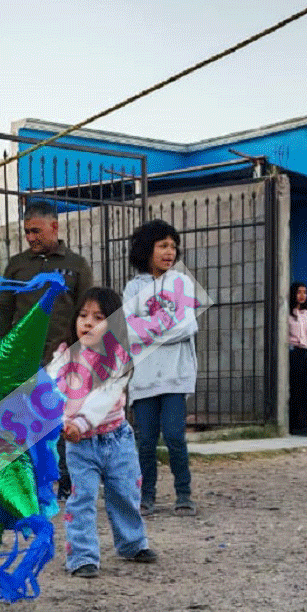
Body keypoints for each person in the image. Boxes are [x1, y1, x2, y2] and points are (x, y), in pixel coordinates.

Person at [47, 287, 155, 578]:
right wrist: (59, 421)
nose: (88, 322)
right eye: (83, 316)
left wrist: (79, 423)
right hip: (79, 444)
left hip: (116, 438)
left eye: (98, 317)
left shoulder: (119, 359)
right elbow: (48, 392)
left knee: (125, 492)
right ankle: (82, 557)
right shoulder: (64, 357)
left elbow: (103, 399)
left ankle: (132, 543)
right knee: (80, 499)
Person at [0, 199, 93, 499]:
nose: (31, 238)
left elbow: (85, 311)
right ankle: (27, 487)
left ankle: (67, 484)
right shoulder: (17, 265)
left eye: (36, 231)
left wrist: (78, 357)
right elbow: (3, 311)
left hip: (63, 361)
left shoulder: (77, 266)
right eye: (27, 232)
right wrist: (3, 353)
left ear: (54, 226)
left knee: (62, 424)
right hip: (23, 361)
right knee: (23, 425)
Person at [124, 220, 198, 514]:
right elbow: (127, 331)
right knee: (145, 441)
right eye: (162, 245)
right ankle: (147, 496)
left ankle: (184, 494)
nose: (170, 251)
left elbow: (187, 326)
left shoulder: (182, 283)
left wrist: (148, 330)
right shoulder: (133, 288)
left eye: (173, 245)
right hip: (143, 378)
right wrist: (164, 326)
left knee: (175, 436)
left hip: (176, 375)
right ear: (147, 249)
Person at [288, 282, 307, 436]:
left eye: (305, 292)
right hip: (294, 354)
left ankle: (305, 423)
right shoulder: (288, 314)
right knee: (296, 391)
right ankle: (295, 425)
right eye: (299, 292)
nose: (302, 295)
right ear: (294, 294)